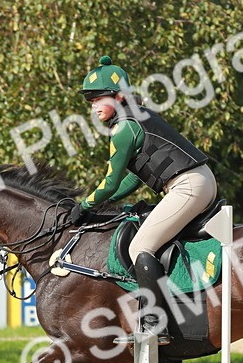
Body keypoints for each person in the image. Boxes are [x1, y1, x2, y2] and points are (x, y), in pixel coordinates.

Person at [68, 56, 217, 338]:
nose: (94, 106)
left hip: (187, 185)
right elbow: (134, 177)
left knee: (140, 247)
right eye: (91, 101)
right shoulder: (139, 115)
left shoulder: (124, 127)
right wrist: (104, 202)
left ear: (120, 95)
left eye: (100, 98)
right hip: (198, 180)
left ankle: (154, 324)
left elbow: (111, 182)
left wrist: (86, 204)